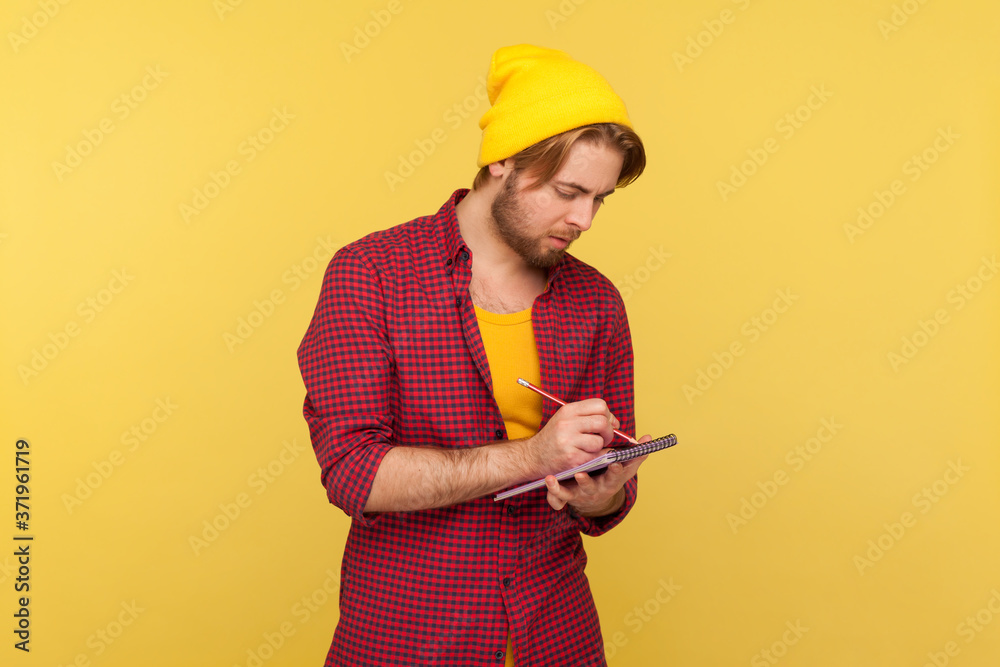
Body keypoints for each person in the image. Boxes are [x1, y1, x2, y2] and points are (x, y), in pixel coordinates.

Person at [297, 43, 649, 667]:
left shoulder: (596, 301)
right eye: (569, 191)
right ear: (503, 160)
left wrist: (604, 494)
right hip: (410, 636)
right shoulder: (370, 275)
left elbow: (611, 490)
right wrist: (533, 456)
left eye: (599, 199)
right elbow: (354, 473)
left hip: (557, 635)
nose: (585, 218)